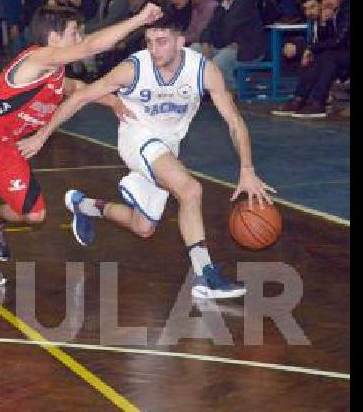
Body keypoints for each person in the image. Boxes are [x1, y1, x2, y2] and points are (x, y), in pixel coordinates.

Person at [16, 18, 276, 300]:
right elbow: (80, 97)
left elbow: (234, 121)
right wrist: (42, 135)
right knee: (190, 190)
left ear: (180, 42)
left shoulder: (203, 70)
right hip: (136, 138)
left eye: (161, 42)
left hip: (167, 147)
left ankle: (84, 205)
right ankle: (205, 275)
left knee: (143, 226)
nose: (154, 49)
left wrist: (247, 169)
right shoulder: (133, 69)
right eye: (149, 42)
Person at [0, 3, 163, 286]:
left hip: (6, 148)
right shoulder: (34, 60)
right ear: (54, 38)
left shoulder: (54, 72)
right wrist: (140, 19)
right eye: (74, 33)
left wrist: (114, 102)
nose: (80, 39)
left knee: (34, 214)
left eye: (80, 34)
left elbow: (80, 89)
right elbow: (90, 48)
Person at [272, 0, 349, 118]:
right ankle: (299, 98)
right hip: (338, 55)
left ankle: (318, 101)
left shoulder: (347, 12)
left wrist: (310, 48)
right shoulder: (328, 15)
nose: (327, 2)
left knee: (328, 56)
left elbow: (339, 41)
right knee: (319, 56)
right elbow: (325, 41)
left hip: (344, 54)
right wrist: (325, 23)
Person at [191, 0, 265, 91]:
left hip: (245, 48)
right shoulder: (221, 7)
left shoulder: (245, 3)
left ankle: (231, 90)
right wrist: (206, 44)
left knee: (220, 60)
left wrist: (214, 41)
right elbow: (209, 28)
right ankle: (202, 89)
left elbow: (230, 29)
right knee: (194, 50)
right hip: (225, 46)